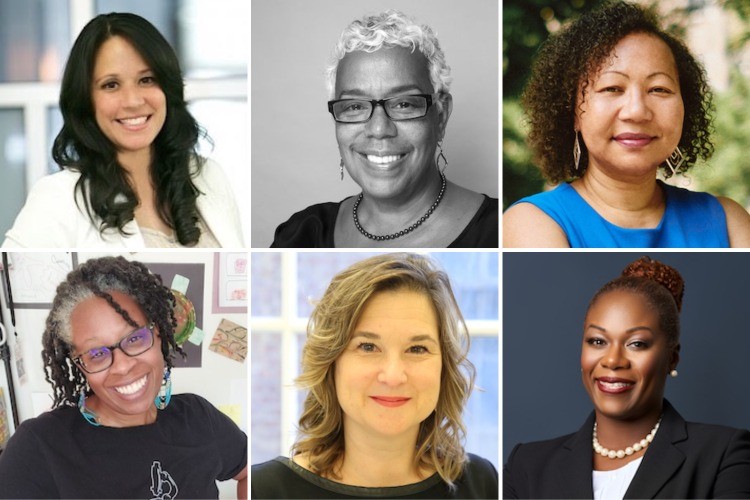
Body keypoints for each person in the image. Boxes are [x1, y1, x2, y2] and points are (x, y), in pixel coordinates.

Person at [503, 1, 750, 248]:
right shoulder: (535, 222)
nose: (637, 111)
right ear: (573, 113)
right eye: (612, 88)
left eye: (659, 89)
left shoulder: (729, 223)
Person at [251, 253, 498, 498]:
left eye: (417, 349)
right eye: (368, 347)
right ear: (331, 363)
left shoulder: (481, 483)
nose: (393, 376)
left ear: (444, 368)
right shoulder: (264, 490)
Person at [0, 256, 248, 498]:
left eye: (135, 338)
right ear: (79, 365)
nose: (122, 366)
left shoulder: (199, 417)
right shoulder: (39, 447)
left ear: (158, 335)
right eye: (96, 353)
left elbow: (248, 472)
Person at [503, 256, 750, 498]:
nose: (612, 360)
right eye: (597, 341)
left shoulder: (724, 455)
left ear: (672, 358)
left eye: (637, 344)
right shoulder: (527, 466)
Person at [2, 13, 243, 248]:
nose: (133, 101)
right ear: (85, 99)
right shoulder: (57, 198)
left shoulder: (210, 177)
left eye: (146, 79)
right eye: (111, 85)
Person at [271, 10, 498, 248]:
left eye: (403, 104)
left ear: (440, 116)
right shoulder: (301, 234)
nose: (379, 129)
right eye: (355, 106)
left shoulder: (498, 232)